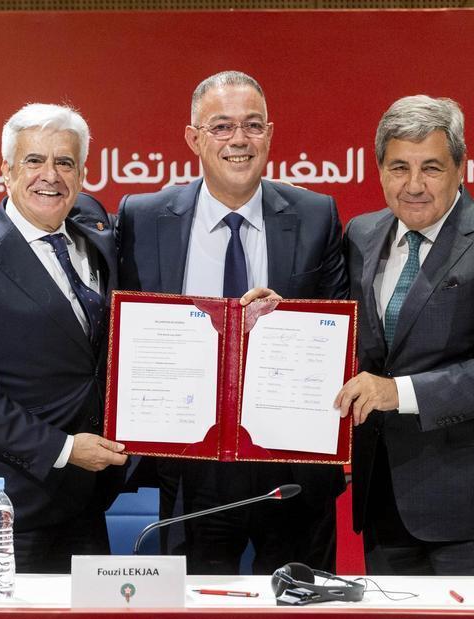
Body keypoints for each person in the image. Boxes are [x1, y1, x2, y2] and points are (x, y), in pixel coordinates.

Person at [117, 71, 347, 575]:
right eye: (221, 127)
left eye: (253, 125)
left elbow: (342, 329)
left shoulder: (315, 215)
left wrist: (290, 324)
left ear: (270, 133)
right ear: (193, 138)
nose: (239, 140)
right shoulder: (142, 217)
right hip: (190, 467)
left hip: (291, 464)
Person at [335, 95, 474, 575]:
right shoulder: (361, 235)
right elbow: (342, 338)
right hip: (383, 498)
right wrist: (278, 314)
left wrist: (397, 392)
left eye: (430, 167)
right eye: (398, 168)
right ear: (379, 170)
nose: (413, 185)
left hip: (469, 505)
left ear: (460, 167)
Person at [0, 103, 127, 573]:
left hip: (81, 499)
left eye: (65, 162)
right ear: (6, 170)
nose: (49, 176)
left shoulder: (96, 234)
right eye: (34, 160)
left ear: (82, 174)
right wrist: (64, 448)